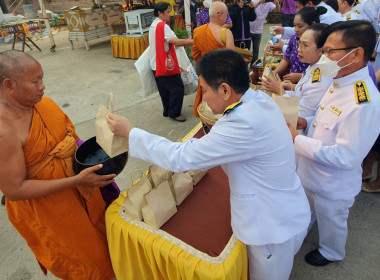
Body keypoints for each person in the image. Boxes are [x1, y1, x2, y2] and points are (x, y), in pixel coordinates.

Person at [107, 48, 311, 280]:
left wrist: (131, 133)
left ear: (225, 90)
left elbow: (180, 157)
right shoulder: (258, 99)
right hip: (285, 206)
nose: (202, 97)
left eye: (204, 90)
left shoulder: (240, 124)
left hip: (271, 228)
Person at [0, 50, 116, 279]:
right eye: (35, 81)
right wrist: (76, 180)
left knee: (109, 244)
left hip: (85, 190)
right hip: (53, 210)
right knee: (87, 262)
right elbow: (13, 190)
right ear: (9, 85)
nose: (43, 86)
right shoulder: (5, 131)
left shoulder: (46, 105)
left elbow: (71, 140)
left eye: (42, 78)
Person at [288, 20, 380, 266]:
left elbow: (345, 156)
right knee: (307, 210)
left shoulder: (363, 102)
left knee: (332, 222)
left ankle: (331, 251)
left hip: (332, 184)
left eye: (330, 51)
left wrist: (297, 141)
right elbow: (322, 122)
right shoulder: (340, 80)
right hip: (311, 171)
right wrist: (303, 122)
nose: (324, 57)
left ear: (356, 54)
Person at [261, 24, 332, 119]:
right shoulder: (313, 66)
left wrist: (280, 91)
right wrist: (287, 87)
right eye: (299, 44)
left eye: (305, 45)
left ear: (320, 50)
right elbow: (301, 93)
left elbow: (301, 116)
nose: (299, 49)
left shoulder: (319, 81)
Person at [149, 2, 193, 122]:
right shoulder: (163, 26)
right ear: (160, 13)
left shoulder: (153, 25)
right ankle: (174, 113)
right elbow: (176, 42)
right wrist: (195, 41)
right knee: (177, 88)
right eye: (168, 12)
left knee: (165, 90)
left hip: (155, 64)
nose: (170, 14)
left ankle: (167, 111)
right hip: (165, 64)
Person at [192, 1, 235, 117]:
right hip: (221, 78)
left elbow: (195, 54)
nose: (226, 18)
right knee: (222, 113)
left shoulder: (197, 31)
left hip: (205, 76)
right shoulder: (226, 33)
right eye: (226, 15)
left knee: (207, 110)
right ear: (220, 15)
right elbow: (231, 61)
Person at [273, 7, 327, 84]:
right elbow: (286, 59)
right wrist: (274, 73)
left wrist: (301, 76)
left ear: (312, 24)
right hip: (292, 84)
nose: (296, 29)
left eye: (300, 26)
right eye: (294, 26)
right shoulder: (294, 38)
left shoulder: (321, 43)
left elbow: (321, 72)